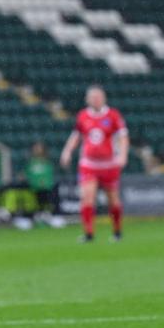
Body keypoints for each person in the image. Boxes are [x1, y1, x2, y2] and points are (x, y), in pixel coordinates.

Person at [60, 85, 129, 242]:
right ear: (87, 99)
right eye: (92, 97)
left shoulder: (113, 115)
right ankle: (88, 233)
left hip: (109, 164)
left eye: (98, 97)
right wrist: (67, 151)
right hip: (89, 164)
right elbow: (76, 136)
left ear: (103, 98)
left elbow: (123, 137)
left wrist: (123, 155)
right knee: (87, 198)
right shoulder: (83, 116)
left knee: (113, 200)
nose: (95, 100)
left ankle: (117, 231)